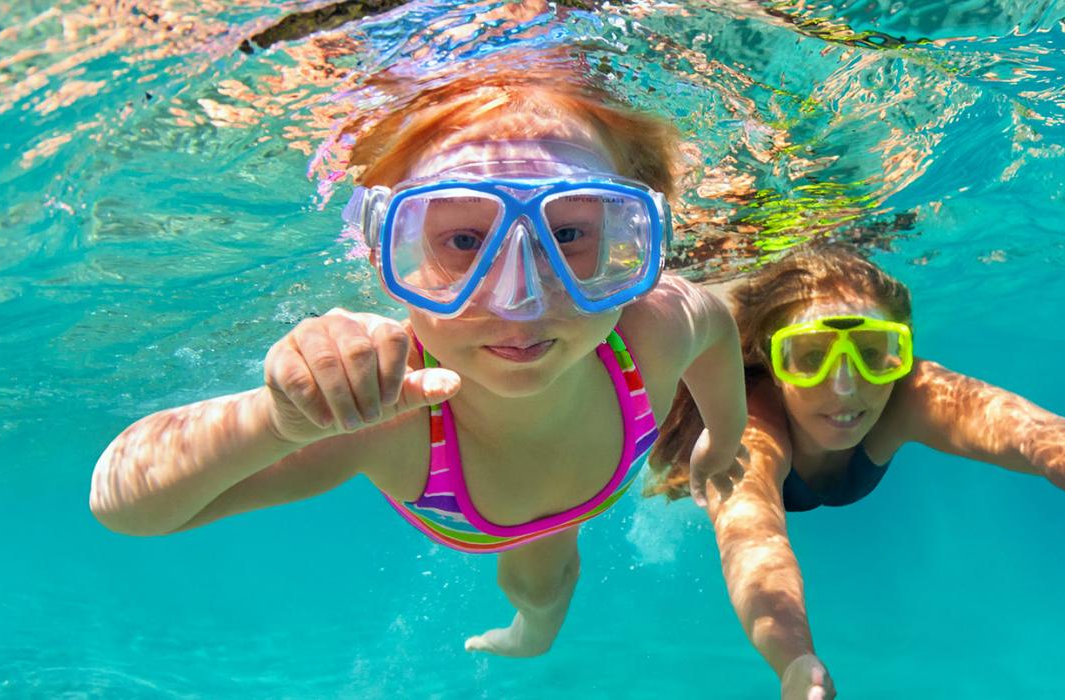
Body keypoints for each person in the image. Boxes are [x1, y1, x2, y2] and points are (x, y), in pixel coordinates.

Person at [89, 70, 748, 658]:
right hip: (470, 507)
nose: (520, 300)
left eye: (569, 234)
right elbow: (124, 505)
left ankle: (533, 633)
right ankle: (530, 631)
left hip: (574, 504)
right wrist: (277, 420)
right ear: (389, 252)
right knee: (534, 579)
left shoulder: (655, 326)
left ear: (629, 235)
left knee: (548, 580)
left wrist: (722, 438)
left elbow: (718, 335)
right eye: (463, 241)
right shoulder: (384, 408)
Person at [652, 244, 1065, 697]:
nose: (846, 388)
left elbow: (1038, 439)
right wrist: (792, 660)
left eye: (874, 354)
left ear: (902, 354)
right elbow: (756, 540)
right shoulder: (749, 426)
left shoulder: (912, 396)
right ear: (772, 361)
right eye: (810, 357)